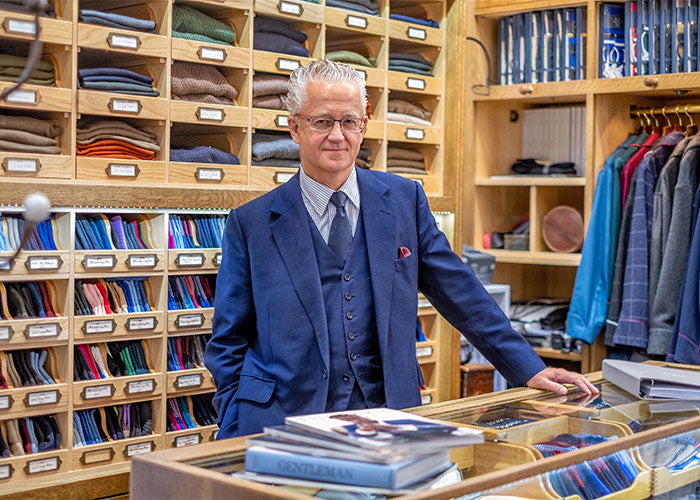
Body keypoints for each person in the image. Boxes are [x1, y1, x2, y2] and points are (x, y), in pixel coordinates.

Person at [205, 60, 598, 439]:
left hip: (388, 417)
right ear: (294, 127)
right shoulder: (251, 223)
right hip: (282, 424)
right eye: (322, 121)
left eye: (349, 122)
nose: (337, 135)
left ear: (364, 125)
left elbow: (460, 291)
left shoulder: (404, 201)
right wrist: (235, 418)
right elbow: (228, 340)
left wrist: (527, 367)